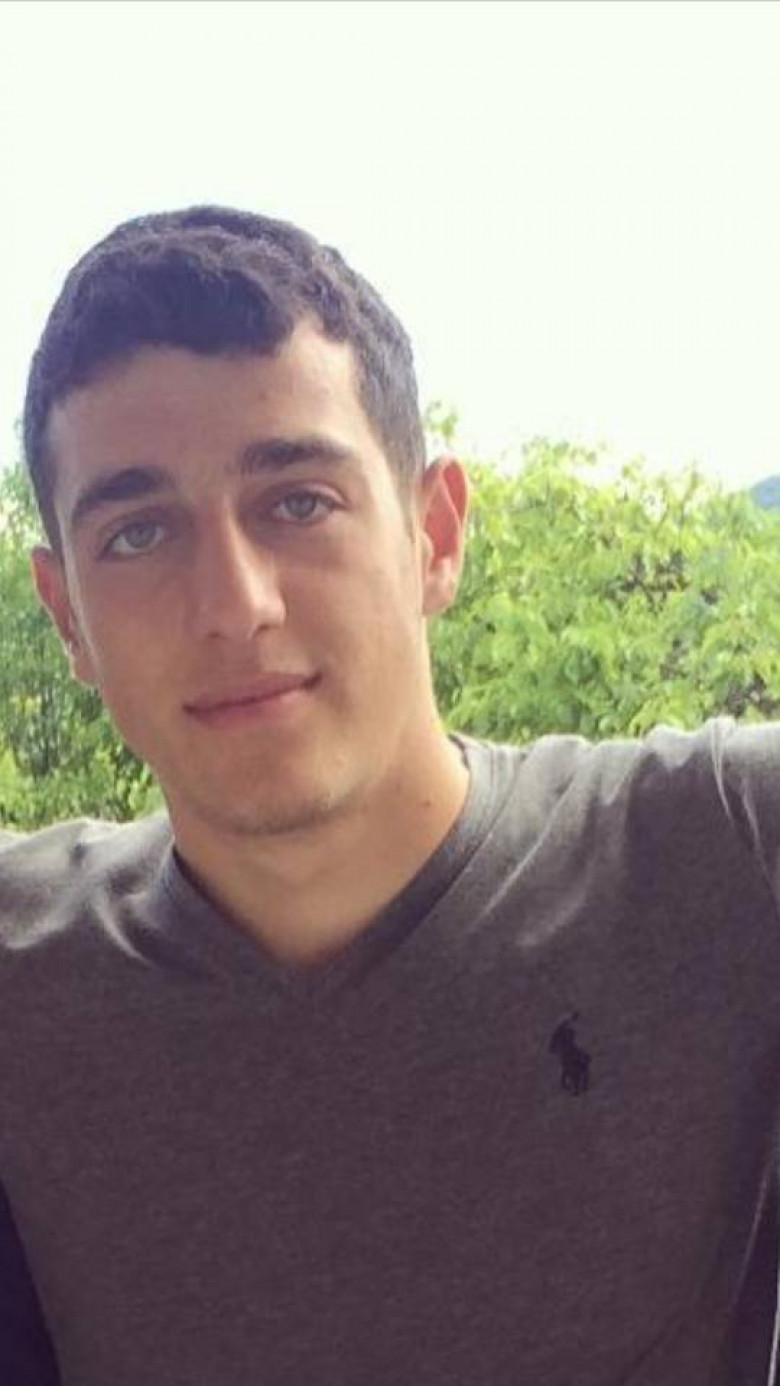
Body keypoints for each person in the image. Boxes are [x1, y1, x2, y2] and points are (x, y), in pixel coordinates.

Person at [1, 205, 778, 1386]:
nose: (235, 604)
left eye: (298, 501)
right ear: (66, 615)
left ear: (434, 532)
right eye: (139, 533)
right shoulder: (26, 974)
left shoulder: (717, 854)